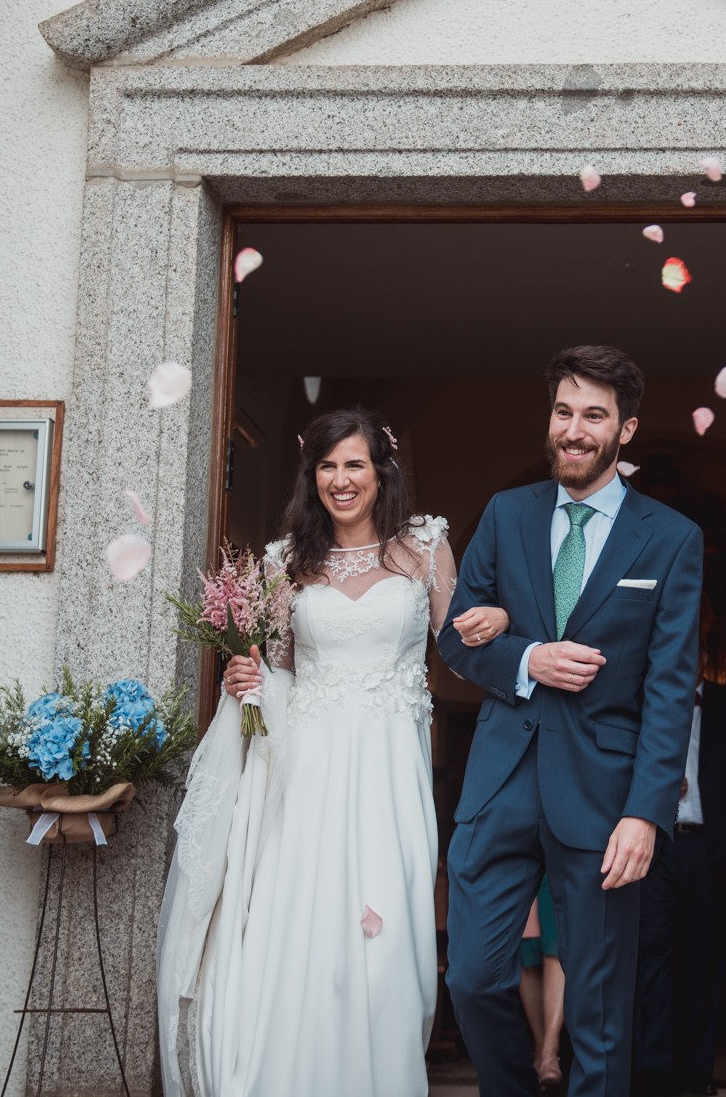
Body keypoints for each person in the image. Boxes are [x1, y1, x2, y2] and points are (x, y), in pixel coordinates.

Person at [154, 409, 506, 1097]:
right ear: (311, 475)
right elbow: (277, 670)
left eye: (354, 464)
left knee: (389, 944)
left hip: (390, 770)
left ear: (381, 471)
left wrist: (499, 618)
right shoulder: (287, 561)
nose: (341, 480)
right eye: (327, 466)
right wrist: (246, 679)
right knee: (303, 925)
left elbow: (461, 653)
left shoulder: (425, 546)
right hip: (309, 770)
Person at [438, 345, 705, 1097]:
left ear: (625, 430)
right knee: (473, 978)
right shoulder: (505, 512)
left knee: (597, 1010)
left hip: (604, 795)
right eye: (564, 412)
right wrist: (528, 660)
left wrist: (647, 813)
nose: (574, 429)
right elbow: (457, 634)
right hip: (500, 782)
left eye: (594, 415)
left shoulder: (672, 538)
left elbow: (670, 686)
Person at [633, 668, 726, 1097]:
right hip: (654, 842)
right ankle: (652, 1073)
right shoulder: (641, 697)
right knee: (652, 958)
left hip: (710, 846)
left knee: (703, 960)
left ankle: (695, 1075)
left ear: (702, 652)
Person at [518, 877, 566, 1092]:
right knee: (524, 944)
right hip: (517, 853)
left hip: (560, 852)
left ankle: (549, 1051)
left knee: (556, 939)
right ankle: (540, 1048)